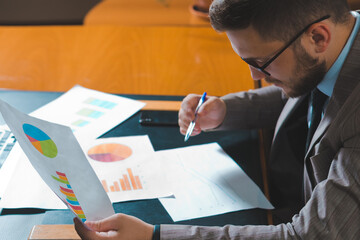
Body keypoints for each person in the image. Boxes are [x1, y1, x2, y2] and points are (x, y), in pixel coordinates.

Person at [74, 0, 360, 238]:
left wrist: (154, 236)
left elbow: (310, 235)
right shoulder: (339, 40)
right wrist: (226, 110)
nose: (255, 77)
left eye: (261, 62)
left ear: (318, 37)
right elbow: (305, 88)